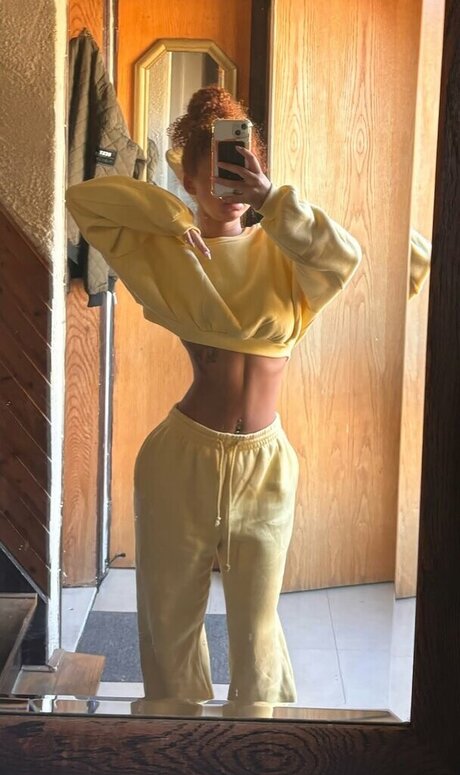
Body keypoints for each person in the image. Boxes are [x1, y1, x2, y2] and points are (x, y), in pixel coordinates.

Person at [66, 86, 362, 717]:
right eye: (217, 176)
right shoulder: (169, 256)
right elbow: (85, 201)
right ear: (191, 180)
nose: (230, 190)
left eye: (241, 171)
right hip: (181, 461)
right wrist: (172, 217)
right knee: (169, 622)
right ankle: (176, 750)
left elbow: (345, 258)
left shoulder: (284, 252)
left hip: (266, 466)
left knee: (258, 628)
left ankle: (258, 746)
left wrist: (272, 199)